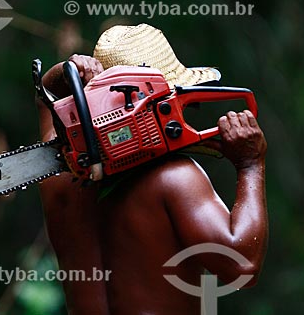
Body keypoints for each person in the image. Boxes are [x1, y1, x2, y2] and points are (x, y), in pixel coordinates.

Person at [37, 24, 268, 315]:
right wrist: (250, 166)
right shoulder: (175, 179)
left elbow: (44, 99)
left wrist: (63, 71)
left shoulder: (59, 174)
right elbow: (242, 266)